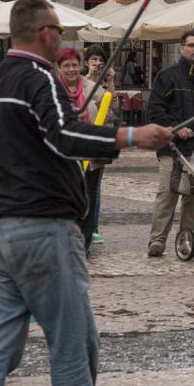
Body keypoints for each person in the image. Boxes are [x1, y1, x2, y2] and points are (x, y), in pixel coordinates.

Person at [0, 0, 173, 386]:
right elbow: (61, 137)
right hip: (42, 228)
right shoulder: (37, 79)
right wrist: (131, 136)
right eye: (59, 30)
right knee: (71, 344)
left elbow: (30, 142)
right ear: (44, 32)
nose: (62, 38)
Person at [146, 29, 194, 257]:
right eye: (191, 45)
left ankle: (188, 240)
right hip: (171, 149)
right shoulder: (167, 77)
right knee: (167, 195)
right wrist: (176, 128)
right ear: (182, 48)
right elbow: (155, 110)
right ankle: (157, 241)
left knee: (193, 199)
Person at [56, 47, 118, 252]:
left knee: (88, 196)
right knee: (62, 196)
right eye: (67, 65)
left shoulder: (91, 87)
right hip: (60, 153)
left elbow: (110, 108)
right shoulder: (52, 88)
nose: (72, 69)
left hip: (88, 152)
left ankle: (84, 241)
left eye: (75, 65)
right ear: (59, 68)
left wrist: (109, 83)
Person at [82, 45, 117, 245]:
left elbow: (112, 104)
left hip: (101, 138)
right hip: (84, 137)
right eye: (93, 59)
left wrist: (110, 81)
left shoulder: (105, 85)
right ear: (87, 62)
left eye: (100, 60)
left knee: (95, 186)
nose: (97, 63)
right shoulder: (81, 83)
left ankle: (93, 227)